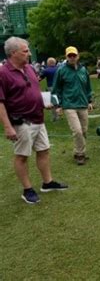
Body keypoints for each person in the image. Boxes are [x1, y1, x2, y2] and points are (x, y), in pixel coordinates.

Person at [0, 37, 68, 204]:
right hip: (22, 122)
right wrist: (8, 127)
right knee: (22, 156)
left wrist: (44, 103)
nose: (29, 54)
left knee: (43, 150)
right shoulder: (3, 73)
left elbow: (33, 90)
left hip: (38, 118)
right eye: (25, 51)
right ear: (13, 53)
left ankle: (47, 182)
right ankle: (27, 189)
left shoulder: (29, 68)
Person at [52, 46, 93, 165]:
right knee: (77, 131)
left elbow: (88, 87)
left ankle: (79, 151)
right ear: (66, 57)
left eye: (74, 55)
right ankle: (80, 154)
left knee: (84, 131)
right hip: (68, 105)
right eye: (69, 55)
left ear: (78, 56)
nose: (72, 57)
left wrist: (90, 101)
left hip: (83, 104)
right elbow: (56, 89)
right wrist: (58, 105)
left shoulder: (83, 70)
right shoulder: (61, 70)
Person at [39, 57, 59, 121]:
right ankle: (58, 114)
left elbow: (39, 78)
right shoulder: (59, 69)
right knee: (58, 102)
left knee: (53, 102)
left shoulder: (46, 70)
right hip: (59, 87)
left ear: (48, 63)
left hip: (51, 87)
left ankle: (55, 117)